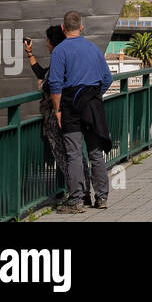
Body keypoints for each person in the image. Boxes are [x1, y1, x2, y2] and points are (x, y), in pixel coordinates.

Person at [46, 11, 113, 213]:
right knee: (95, 153)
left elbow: (55, 85)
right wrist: (94, 97)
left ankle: (76, 200)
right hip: (92, 105)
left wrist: (57, 110)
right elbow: (107, 79)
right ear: (81, 27)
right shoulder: (93, 49)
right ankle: (101, 197)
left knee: (74, 153)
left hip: (70, 108)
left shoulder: (60, 51)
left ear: (62, 27)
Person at [26, 26, 91, 207]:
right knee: (77, 154)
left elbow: (51, 84)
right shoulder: (65, 58)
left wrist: (43, 87)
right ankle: (84, 191)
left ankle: (76, 195)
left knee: (65, 156)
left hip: (59, 115)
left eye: (47, 40)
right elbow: (43, 73)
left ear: (52, 42)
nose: (45, 43)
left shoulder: (58, 59)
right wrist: (29, 54)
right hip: (73, 112)